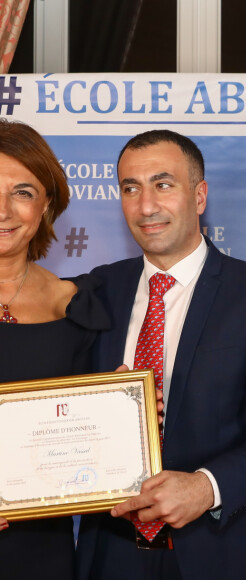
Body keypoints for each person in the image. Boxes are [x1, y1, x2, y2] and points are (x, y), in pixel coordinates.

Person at [75, 129, 246, 579]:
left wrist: (205, 487)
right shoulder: (97, 289)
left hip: (223, 552)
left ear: (199, 196)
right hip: (113, 553)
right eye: (130, 188)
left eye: (163, 184)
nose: (145, 206)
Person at [0, 119, 110, 578]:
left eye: (22, 192)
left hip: (38, 546)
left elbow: (91, 438)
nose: (3, 209)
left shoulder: (75, 307)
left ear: (46, 207)